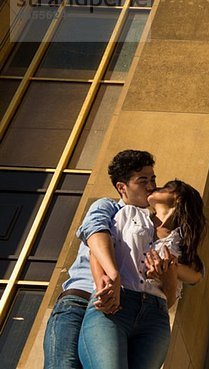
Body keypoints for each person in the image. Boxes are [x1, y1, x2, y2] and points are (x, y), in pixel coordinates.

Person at [43, 150, 158, 369]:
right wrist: (112, 274)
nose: (151, 185)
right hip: (78, 302)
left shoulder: (153, 223)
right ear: (122, 187)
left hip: (121, 309)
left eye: (152, 178)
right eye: (142, 180)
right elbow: (94, 231)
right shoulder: (108, 207)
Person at [78, 180, 206, 369]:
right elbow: (97, 250)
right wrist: (102, 283)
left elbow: (192, 279)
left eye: (166, 187)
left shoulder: (181, 244)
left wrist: (169, 270)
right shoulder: (129, 213)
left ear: (178, 198)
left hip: (155, 317)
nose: (155, 187)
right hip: (117, 304)